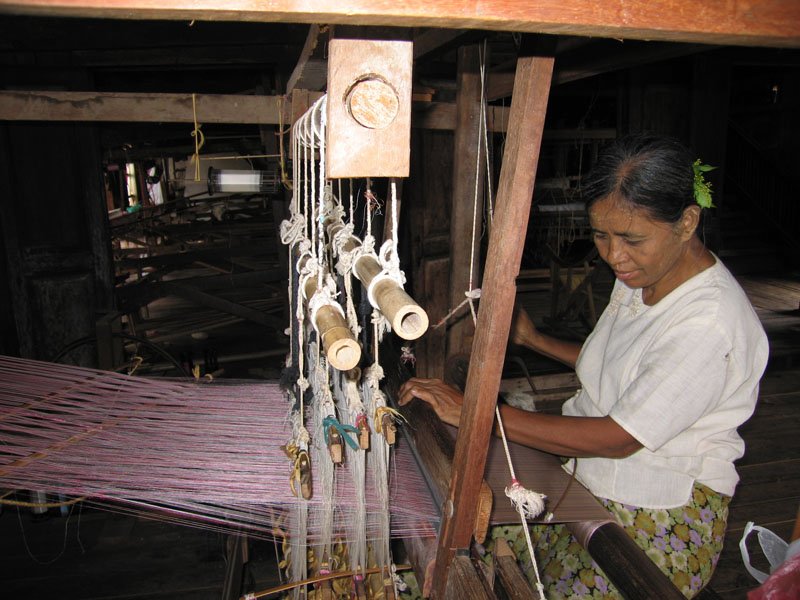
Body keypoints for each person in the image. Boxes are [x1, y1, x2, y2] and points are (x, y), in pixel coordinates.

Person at [398, 133, 769, 598]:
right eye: (601, 234)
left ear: (688, 221)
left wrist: (479, 415)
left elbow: (618, 438)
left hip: (658, 515)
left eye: (631, 238)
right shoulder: (642, 274)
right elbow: (624, 367)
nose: (613, 255)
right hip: (588, 478)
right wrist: (534, 340)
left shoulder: (710, 322)